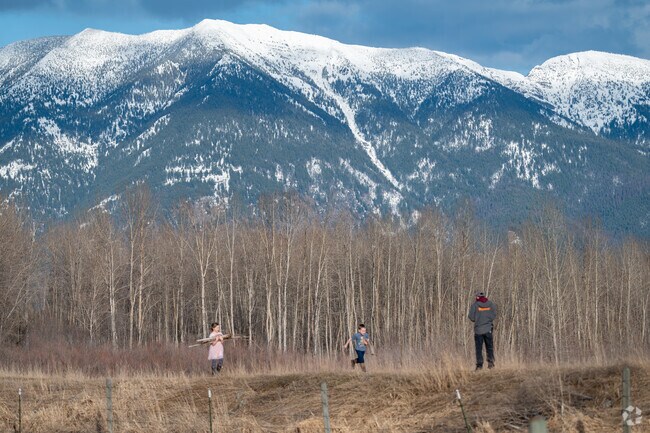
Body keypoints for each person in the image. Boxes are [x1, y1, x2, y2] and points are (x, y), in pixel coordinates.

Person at [468, 291, 497, 370]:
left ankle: (479, 365)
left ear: (477, 297)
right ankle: (491, 363)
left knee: (479, 348)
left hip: (478, 330)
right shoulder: (491, 304)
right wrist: (488, 320)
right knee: (489, 347)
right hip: (488, 329)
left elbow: (471, 317)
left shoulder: (474, 305)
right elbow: (494, 315)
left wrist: (478, 319)